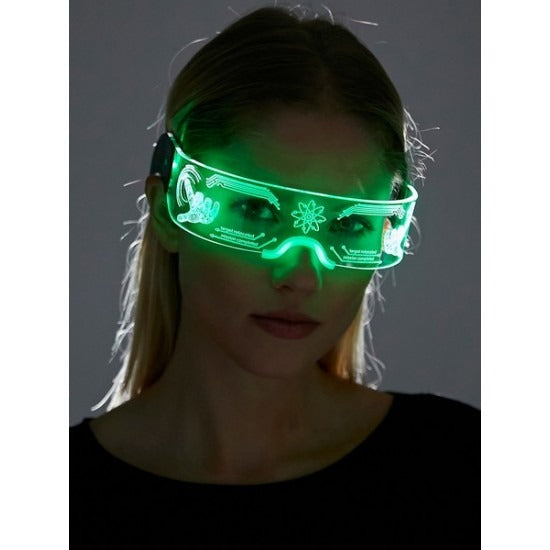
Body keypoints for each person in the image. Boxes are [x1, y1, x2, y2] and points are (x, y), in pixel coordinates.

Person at [70, 6, 479, 548]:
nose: (302, 275)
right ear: (170, 208)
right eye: (256, 210)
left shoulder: (464, 472)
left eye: (349, 223)